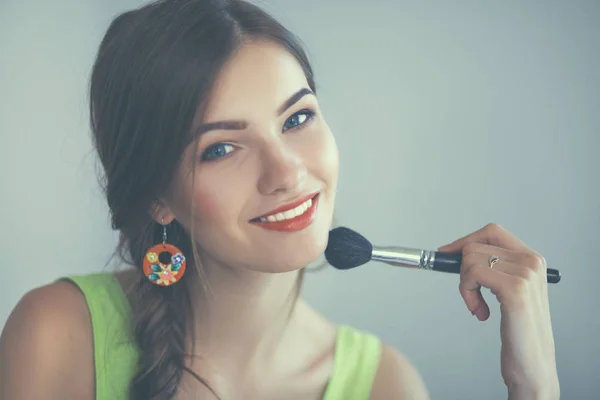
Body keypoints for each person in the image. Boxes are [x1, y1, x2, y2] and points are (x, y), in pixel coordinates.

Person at [0, 0, 560, 399]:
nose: (287, 171)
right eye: (221, 149)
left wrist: (533, 389)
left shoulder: (387, 385)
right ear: (156, 197)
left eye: (297, 118)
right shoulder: (55, 335)